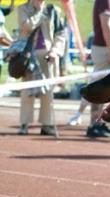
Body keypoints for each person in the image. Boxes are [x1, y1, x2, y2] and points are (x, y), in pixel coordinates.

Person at [17, 0, 66, 137]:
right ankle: (24, 124)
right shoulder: (23, 9)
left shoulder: (53, 10)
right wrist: (39, 12)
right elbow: (27, 27)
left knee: (48, 92)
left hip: (48, 55)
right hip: (28, 54)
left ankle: (47, 124)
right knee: (27, 91)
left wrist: (55, 51)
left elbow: (60, 33)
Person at [86, 0, 110, 138]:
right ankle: (94, 125)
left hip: (106, 49)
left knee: (105, 89)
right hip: (105, 50)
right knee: (99, 88)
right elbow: (106, 24)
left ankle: (100, 123)